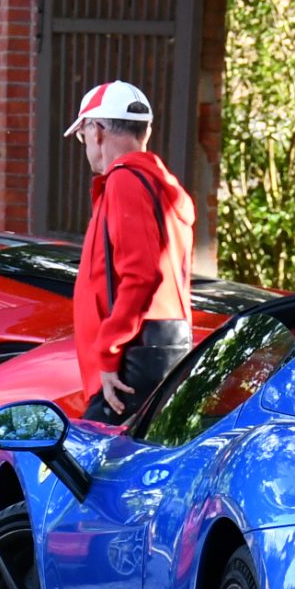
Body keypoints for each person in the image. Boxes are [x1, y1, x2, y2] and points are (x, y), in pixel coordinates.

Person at [64, 80, 196, 422]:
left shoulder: (124, 181)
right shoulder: (160, 183)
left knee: (93, 452)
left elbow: (141, 273)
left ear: (96, 130)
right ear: (146, 131)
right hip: (160, 343)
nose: (86, 144)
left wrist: (109, 352)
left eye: (82, 134)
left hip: (132, 356)